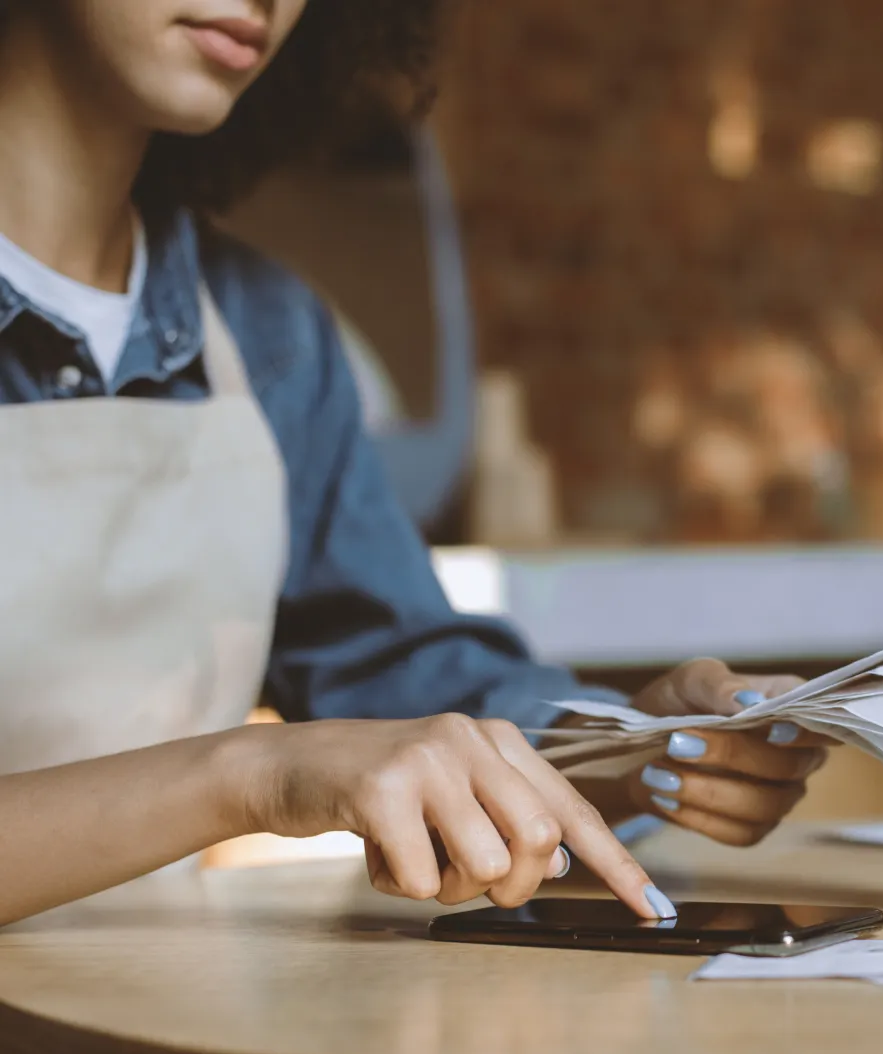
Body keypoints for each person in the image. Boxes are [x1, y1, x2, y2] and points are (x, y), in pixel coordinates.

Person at [0, 0, 827, 925]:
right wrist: (256, 777)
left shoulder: (269, 336)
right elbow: (279, 768)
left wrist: (631, 750)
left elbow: (395, 670)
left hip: (120, 1048)